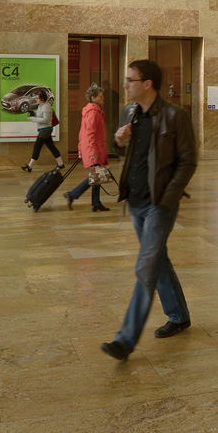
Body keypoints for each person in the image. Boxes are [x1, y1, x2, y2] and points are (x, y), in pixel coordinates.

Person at [100, 59, 197, 362]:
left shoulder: (174, 116)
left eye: (130, 80)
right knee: (158, 260)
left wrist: (167, 200)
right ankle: (178, 315)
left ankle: (125, 340)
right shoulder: (130, 113)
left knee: (145, 267)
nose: (125, 84)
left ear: (147, 84)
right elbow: (125, 152)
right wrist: (117, 142)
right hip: (136, 201)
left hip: (159, 205)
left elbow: (188, 161)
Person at [63, 84, 110, 212]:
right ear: (93, 98)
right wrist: (93, 152)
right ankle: (72, 194)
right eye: (101, 96)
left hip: (92, 147)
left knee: (98, 175)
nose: (103, 98)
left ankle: (96, 203)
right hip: (93, 148)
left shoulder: (91, 110)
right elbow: (89, 133)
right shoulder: (93, 112)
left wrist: (80, 148)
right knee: (95, 176)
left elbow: (82, 132)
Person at [20, 89, 64, 172]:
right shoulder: (41, 105)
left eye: (37, 98)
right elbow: (40, 115)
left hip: (45, 130)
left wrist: (34, 119)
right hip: (44, 129)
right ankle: (61, 164)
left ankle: (30, 166)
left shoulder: (46, 106)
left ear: (42, 99)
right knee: (52, 147)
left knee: (37, 147)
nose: (36, 99)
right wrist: (33, 113)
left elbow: (46, 119)